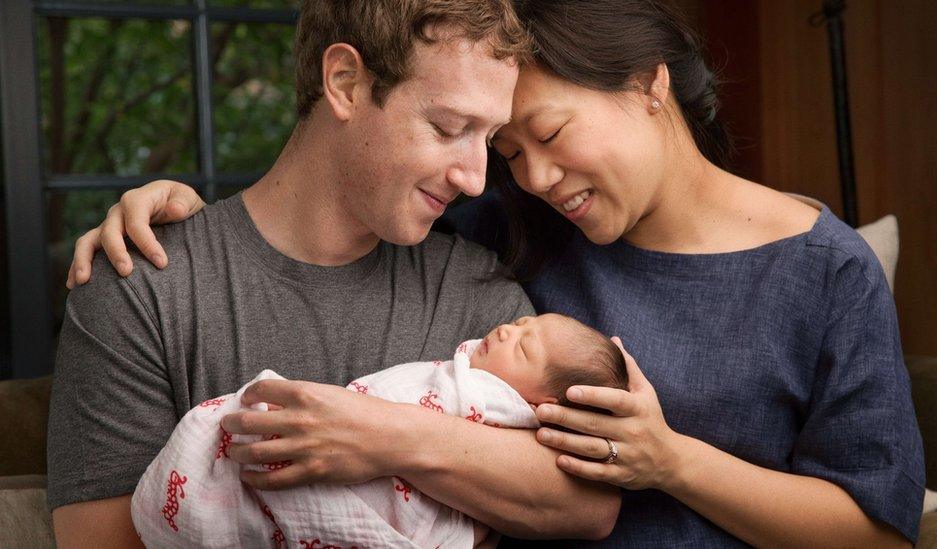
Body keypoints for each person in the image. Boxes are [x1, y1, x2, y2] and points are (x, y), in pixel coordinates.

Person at [67, 0, 925, 547]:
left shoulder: (824, 270)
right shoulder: (522, 228)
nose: (507, 176)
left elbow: (587, 502)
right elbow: (332, 199)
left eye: (533, 136)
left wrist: (670, 461)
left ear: (649, 84)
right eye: (497, 146)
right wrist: (173, 208)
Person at [46, 2, 623, 547]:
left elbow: (587, 504)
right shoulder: (142, 285)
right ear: (345, 82)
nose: (476, 178)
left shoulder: (473, 293)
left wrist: (382, 436)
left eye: (489, 140)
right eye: (449, 128)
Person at [131, 314, 627, 548]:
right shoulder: (155, 288)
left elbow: (592, 506)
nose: (507, 331)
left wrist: (382, 435)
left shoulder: (497, 390)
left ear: (541, 405)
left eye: (523, 347)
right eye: (522, 323)